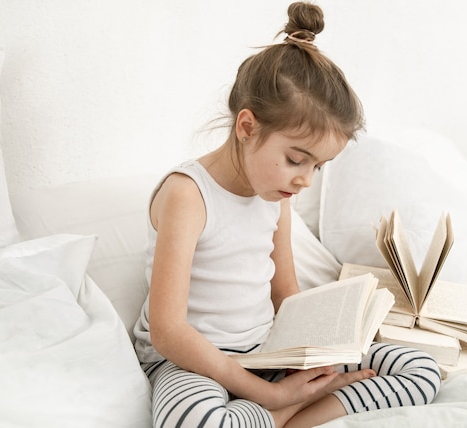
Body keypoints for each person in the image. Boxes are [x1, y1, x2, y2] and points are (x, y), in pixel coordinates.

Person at [134, 2, 441, 427]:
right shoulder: (188, 195)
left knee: (421, 371)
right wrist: (272, 394)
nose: (305, 181)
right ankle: (286, 415)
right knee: (196, 422)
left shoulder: (275, 192)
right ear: (247, 127)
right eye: (297, 159)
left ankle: (277, 415)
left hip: (266, 348)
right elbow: (169, 330)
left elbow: (286, 293)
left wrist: (318, 349)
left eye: (318, 166)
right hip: (193, 361)